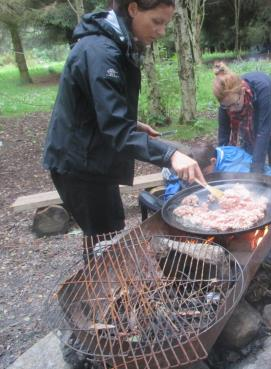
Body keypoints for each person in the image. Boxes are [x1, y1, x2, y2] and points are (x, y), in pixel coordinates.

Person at [42, 0, 205, 257]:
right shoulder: (101, 52)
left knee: (106, 230)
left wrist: (132, 123)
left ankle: (99, 282)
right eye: (157, 21)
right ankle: (96, 289)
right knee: (102, 237)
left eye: (165, 23)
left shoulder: (113, 43)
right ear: (133, 9)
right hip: (79, 163)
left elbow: (96, 107)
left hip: (90, 155)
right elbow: (116, 131)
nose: (161, 31)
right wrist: (170, 155)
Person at [212, 61, 271, 178]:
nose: (231, 110)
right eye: (227, 106)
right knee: (248, 159)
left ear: (243, 92)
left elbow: (264, 131)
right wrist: (222, 163)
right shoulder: (226, 101)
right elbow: (223, 137)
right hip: (248, 125)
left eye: (234, 104)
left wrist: (256, 173)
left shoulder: (262, 88)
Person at [162, 143, 271, 200]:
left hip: (268, 182)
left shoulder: (234, 169)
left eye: (205, 172)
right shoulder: (212, 153)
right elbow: (176, 179)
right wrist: (171, 196)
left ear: (213, 161)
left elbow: (253, 186)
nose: (202, 176)